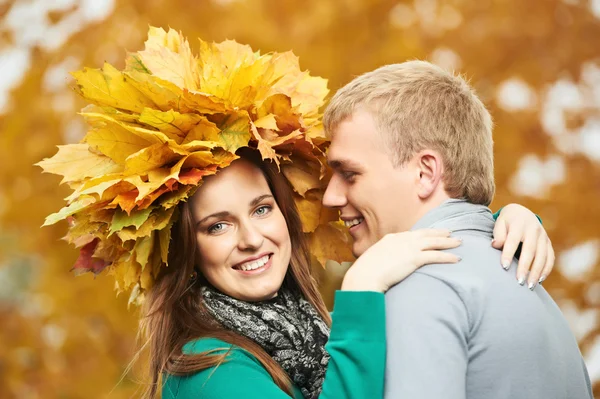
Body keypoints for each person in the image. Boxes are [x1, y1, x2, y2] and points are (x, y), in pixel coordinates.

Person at [36, 27, 557, 399]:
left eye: (262, 209)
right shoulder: (211, 370)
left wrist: (499, 218)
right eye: (216, 225)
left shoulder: (304, 333)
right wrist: (360, 290)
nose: (250, 238)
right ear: (186, 252)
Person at [322, 60, 593, 399]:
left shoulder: (422, 284)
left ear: (425, 172)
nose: (331, 196)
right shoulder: (534, 290)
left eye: (349, 174)